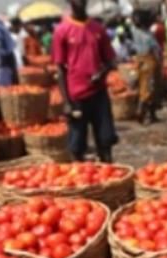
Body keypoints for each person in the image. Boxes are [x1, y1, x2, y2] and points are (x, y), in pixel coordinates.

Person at [52, 0, 118, 162]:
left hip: (99, 94)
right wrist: (67, 102)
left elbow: (110, 61)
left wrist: (101, 73)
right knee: (77, 146)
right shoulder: (62, 31)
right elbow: (60, 69)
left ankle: (109, 173)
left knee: (106, 140)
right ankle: (82, 179)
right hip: (76, 97)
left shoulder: (98, 29)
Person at [131, 10, 161, 123]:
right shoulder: (148, 35)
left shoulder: (134, 32)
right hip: (149, 61)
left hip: (138, 60)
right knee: (149, 89)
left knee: (142, 87)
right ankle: (141, 111)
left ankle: (150, 114)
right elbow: (156, 49)